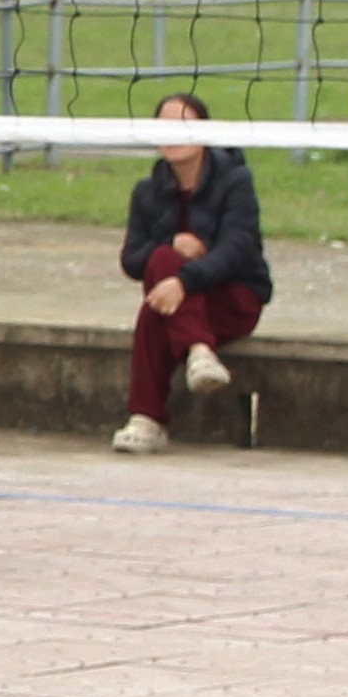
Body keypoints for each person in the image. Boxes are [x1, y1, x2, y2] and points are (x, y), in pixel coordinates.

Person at [112, 93, 268, 454]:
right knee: (161, 268)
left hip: (233, 297)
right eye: (165, 126)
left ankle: (147, 416)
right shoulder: (147, 191)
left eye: (184, 125)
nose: (174, 134)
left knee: (159, 301)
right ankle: (197, 353)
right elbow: (132, 260)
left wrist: (184, 282)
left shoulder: (236, 182)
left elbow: (236, 251)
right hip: (181, 304)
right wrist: (172, 243)